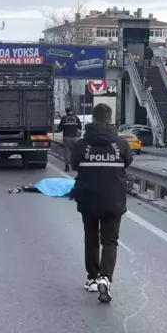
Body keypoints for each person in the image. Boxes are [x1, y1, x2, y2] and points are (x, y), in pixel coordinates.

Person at [70, 103, 132, 303]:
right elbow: (128, 161)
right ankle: (106, 277)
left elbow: (74, 165)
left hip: (88, 198)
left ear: (93, 119)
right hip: (114, 198)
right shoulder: (121, 143)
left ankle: (93, 278)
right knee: (110, 241)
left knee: (91, 238)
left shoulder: (82, 144)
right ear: (110, 119)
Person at [58, 107, 82, 172]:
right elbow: (80, 127)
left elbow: (60, 129)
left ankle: (67, 166)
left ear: (66, 112)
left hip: (66, 138)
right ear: (72, 111)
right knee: (75, 152)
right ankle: (76, 165)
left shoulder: (63, 119)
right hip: (74, 137)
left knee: (67, 152)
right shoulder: (76, 118)